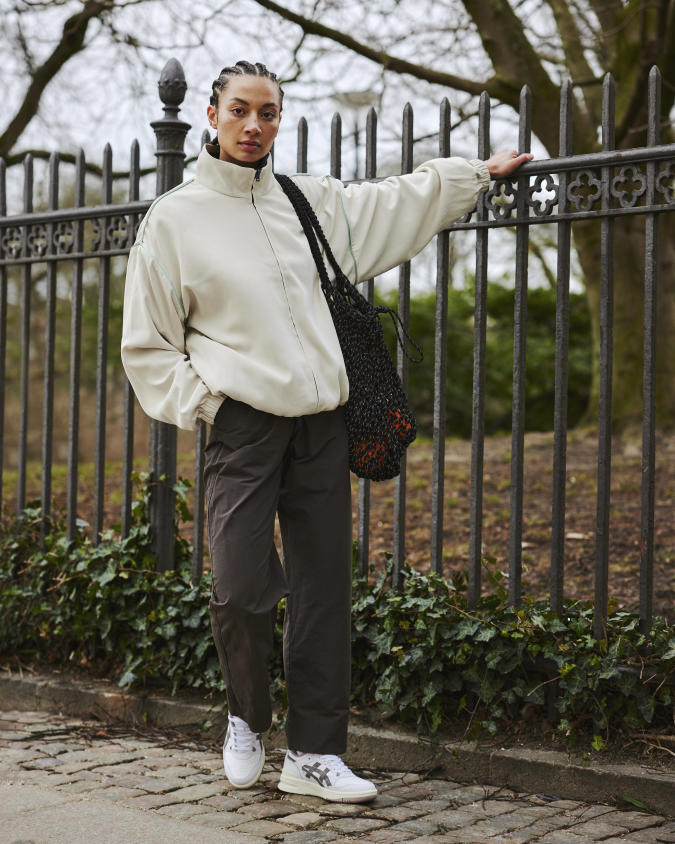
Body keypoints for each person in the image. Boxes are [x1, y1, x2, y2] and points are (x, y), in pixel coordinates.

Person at [121, 60, 532, 804]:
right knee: (238, 589)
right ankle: (246, 714)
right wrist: (211, 405)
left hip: (321, 424)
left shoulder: (306, 201)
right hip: (241, 424)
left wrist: (477, 173)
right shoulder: (174, 220)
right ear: (211, 115)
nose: (254, 126)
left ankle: (313, 753)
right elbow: (148, 345)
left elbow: (394, 202)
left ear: (279, 119)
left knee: (323, 593)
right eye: (240, 110)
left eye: (268, 112)